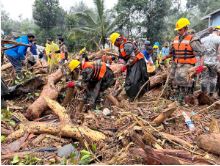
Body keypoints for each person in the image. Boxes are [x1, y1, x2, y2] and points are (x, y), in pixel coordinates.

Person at [162, 18, 205, 105]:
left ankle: (185, 103)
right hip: (176, 64)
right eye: (178, 30)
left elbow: (201, 53)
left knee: (186, 84)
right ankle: (176, 100)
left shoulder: (193, 39)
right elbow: (171, 53)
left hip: (188, 66)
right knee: (173, 82)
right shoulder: (175, 39)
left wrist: (199, 66)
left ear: (186, 28)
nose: (178, 31)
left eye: (180, 29)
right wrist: (164, 57)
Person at [109, 32, 149, 100]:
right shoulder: (121, 47)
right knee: (129, 81)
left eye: (114, 43)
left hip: (138, 62)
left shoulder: (127, 45)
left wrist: (124, 67)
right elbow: (122, 57)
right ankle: (132, 96)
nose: (114, 45)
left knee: (134, 81)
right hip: (132, 63)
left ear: (117, 40)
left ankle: (134, 97)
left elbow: (132, 58)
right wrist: (113, 59)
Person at [200, 26, 220, 97]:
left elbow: (200, 51)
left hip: (204, 62)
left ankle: (203, 94)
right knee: (213, 78)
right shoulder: (218, 39)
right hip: (214, 62)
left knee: (204, 78)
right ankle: (211, 94)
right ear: (217, 31)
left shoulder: (203, 39)